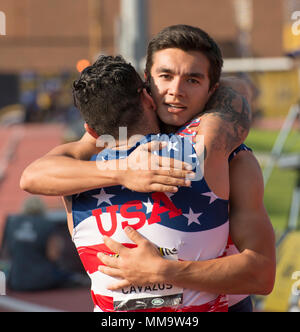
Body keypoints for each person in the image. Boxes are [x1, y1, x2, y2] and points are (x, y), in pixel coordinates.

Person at [20, 25, 276, 311]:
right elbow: (32, 175)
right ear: (146, 86)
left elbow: (261, 273)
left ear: (212, 89)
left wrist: (161, 270)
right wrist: (123, 170)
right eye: (165, 76)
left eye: (192, 80)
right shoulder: (100, 147)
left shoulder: (227, 153)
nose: (175, 91)